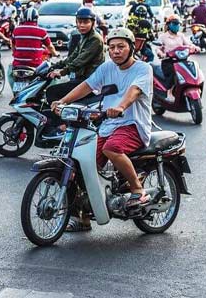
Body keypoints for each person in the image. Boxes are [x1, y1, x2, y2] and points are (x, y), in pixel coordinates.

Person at [53, 27, 154, 230]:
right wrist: (62, 101)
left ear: (131, 48)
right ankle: (83, 217)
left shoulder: (143, 69)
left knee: (112, 148)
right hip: (109, 125)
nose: (116, 51)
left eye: (121, 47)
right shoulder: (107, 68)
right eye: (112, 47)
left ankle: (138, 190)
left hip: (133, 124)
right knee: (81, 163)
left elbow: (134, 90)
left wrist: (120, 107)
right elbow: (87, 86)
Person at [45, 6, 105, 108]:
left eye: (86, 22)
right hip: (82, 78)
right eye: (79, 22)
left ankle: (60, 123)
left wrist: (62, 72)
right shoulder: (84, 37)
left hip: (90, 82)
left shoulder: (95, 39)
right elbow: (72, 57)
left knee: (52, 91)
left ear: (93, 23)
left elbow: (80, 60)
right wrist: (54, 65)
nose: (82, 25)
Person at [155, 14, 197, 85]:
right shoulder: (163, 36)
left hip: (182, 61)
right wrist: (160, 53)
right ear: (168, 25)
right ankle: (169, 93)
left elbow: (189, 44)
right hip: (169, 62)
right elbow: (158, 48)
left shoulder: (181, 35)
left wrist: (194, 47)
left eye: (178, 24)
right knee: (171, 79)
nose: (177, 25)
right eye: (174, 23)